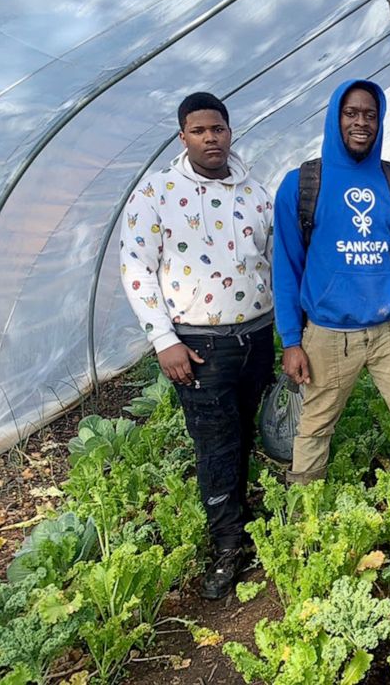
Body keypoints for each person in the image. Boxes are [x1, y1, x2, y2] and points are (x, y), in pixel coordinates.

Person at [120, 92, 274, 599]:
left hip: (255, 335)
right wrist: (165, 341)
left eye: (219, 129)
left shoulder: (254, 193)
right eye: (199, 131)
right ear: (182, 136)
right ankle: (227, 546)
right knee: (215, 442)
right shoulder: (157, 193)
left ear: (231, 132)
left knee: (246, 430)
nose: (211, 139)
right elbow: (136, 268)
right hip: (200, 343)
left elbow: (275, 259)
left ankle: (243, 516)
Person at [273, 79, 390, 488]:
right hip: (329, 332)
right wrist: (291, 339)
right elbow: (286, 266)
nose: (361, 122)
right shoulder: (301, 185)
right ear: (336, 118)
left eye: (370, 114)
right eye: (351, 113)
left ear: (380, 120)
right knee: (315, 423)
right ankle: (304, 512)